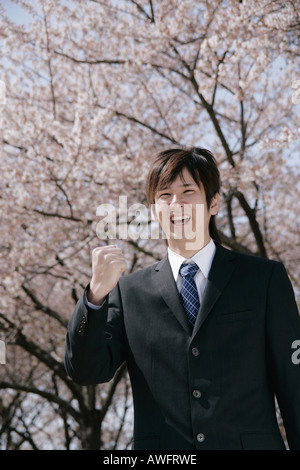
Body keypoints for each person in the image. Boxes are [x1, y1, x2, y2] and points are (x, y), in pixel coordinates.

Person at [65, 147, 300, 450]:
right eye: (164, 195)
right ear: (153, 210)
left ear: (213, 202)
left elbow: (294, 384)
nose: (176, 204)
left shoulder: (264, 280)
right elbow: (85, 371)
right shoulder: (129, 292)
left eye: (188, 191)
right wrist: (95, 296)